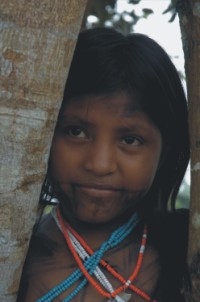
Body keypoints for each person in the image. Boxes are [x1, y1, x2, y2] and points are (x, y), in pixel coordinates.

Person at [17, 27, 190, 302]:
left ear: (165, 150)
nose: (99, 165)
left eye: (130, 140)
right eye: (76, 132)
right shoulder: (15, 251)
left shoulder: (186, 247)